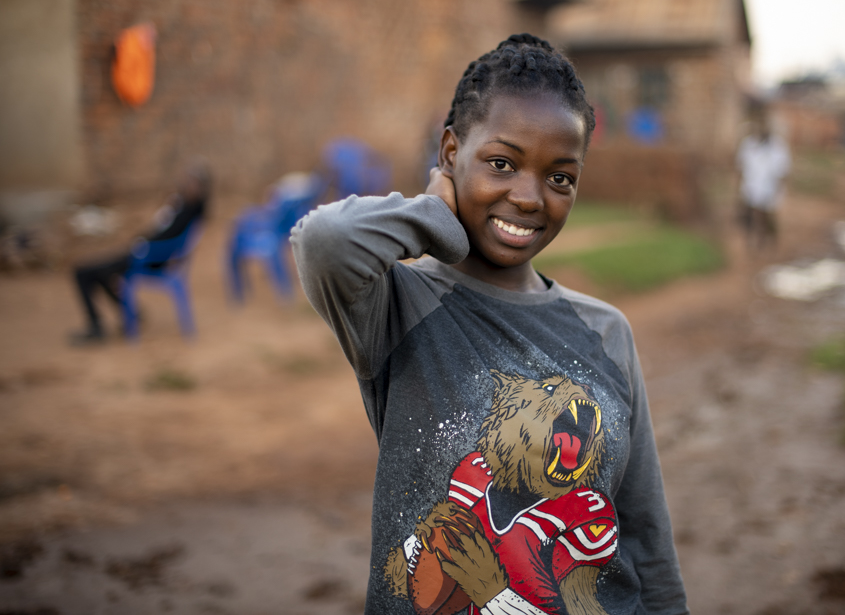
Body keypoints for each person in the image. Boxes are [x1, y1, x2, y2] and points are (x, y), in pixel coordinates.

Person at [292, 35, 688, 614]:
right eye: (501, 163)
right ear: (451, 151)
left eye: (560, 177)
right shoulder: (400, 307)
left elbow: (646, 535)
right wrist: (434, 218)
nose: (529, 197)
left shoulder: (606, 333)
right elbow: (323, 242)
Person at [70, 162, 210, 344]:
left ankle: (101, 324)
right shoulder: (183, 207)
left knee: (83, 273)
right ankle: (129, 314)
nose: (186, 184)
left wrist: (142, 244)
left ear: (200, 188)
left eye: (191, 182)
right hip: (146, 254)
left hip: (147, 257)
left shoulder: (188, 211)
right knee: (100, 273)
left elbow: (165, 235)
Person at [736, 105, 790, 253]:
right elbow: (741, 166)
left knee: (767, 216)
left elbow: (783, 169)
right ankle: (753, 243)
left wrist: (779, 189)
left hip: (770, 187)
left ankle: (769, 241)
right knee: (751, 215)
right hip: (751, 185)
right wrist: (739, 187)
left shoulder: (777, 146)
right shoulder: (748, 144)